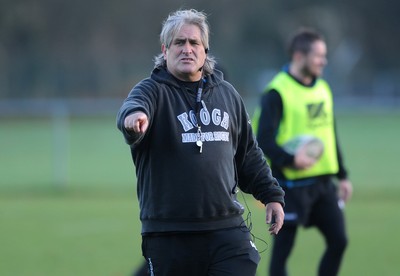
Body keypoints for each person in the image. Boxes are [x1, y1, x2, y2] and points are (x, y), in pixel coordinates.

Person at [117, 9, 285, 276]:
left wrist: (272, 196)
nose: (187, 49)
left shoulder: (226, 94)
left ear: (205, 49)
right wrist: (133, 120)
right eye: (179, 42)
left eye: (194, 42)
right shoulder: (151, 90)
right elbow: (134, 109)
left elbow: (248, 156)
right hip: (170, 234)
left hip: (226, 230)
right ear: (165, 49)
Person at [252, 28, 353, 276]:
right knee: (282, 252)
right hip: (289, 186)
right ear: (299, 56)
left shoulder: (323, 89)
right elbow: (262, 139)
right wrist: (290, 160)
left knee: (339, 240)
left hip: (322, 185)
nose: (323, 61)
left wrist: (342, 175)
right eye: (318, 55)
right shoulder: (277, 92)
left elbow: (330, 134)